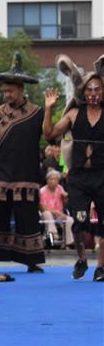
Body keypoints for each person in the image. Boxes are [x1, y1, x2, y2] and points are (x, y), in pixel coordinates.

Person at [0, 54, 45, 273]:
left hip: (27, 173)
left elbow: (51, 133)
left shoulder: (37, 113)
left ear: (21, 90)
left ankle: (31, 261)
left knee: (28, 218)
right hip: (1, 173)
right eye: (4, 91)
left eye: (10, 91)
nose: (6, 95)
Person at [43, 54, 104, 280]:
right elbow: (49, 134)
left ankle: (101, 266)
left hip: (102, 176)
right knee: (78, 221)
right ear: (83, 93)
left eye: (97, 89)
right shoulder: (74, 113)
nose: (93, 94)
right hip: (78, 177)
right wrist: (49, 108)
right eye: (89, 90)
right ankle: (81, 260)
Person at [38, 169, 73, 249]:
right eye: (52, 179)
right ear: (47, 180)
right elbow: (42, 208)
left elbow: (65, 204)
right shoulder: (42, 191)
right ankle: (54, 233)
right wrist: (56, 212)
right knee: (47, 213)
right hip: (47, 214)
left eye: (56, 179)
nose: (54, 181)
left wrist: (65, 198)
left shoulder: (60, 188)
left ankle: (67, 243)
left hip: (59, 214)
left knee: (69, 219)